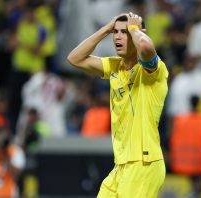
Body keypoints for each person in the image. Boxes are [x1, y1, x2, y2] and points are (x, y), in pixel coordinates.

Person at [67, 12, 168, 197]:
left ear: (137, 33)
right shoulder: (115, 67)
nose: (118, 37)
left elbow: (145, 46)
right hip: (120, 166)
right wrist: (106, 28)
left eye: (125, 32)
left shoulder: (153, 71)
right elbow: (75, 58)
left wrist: (135, 28)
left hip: (144, 164)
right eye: (116, 32)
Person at [170, 95, 201, 198]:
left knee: (192, 180)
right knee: (198, 179)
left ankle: (193, 193)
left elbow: (173, 135)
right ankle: (195, 193)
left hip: (185, 159)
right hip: (198, 158)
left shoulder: (181, 119)